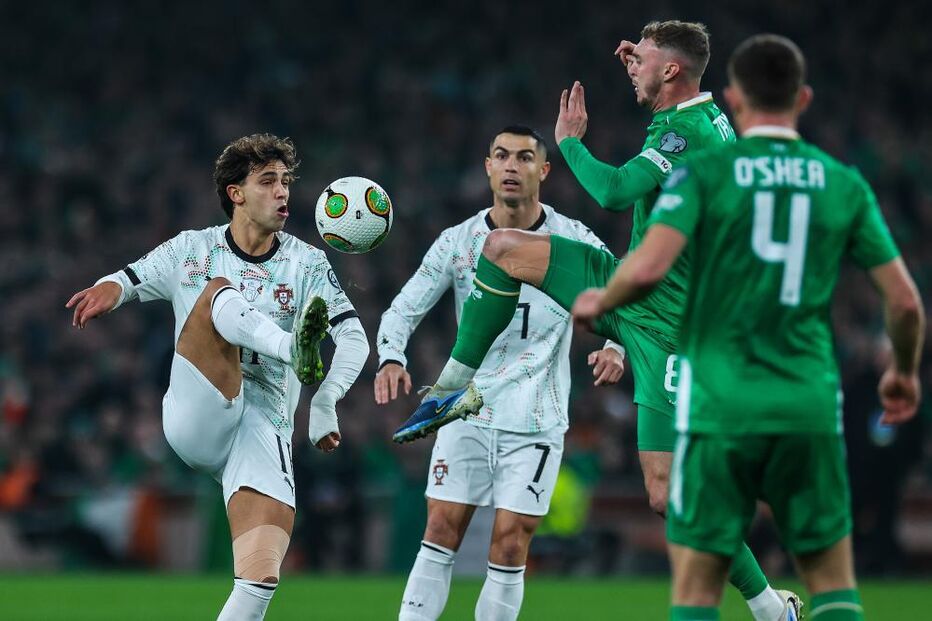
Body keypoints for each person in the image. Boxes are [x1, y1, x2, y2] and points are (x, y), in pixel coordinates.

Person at [395, 20, 798, 621]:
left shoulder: (688, 132)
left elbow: (614, 192)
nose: (630, 65)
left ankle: (768, 605)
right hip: (629, 290)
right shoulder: (689, 115)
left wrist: (571, 141)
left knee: (665, 495)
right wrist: (649, 57)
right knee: (503, 247)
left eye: (643, 59)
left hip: (672, 329)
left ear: (672, 72)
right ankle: (454, 387)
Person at [571, 34, 925, 621]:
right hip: (808, 387)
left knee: (699, 550)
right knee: (831, 575)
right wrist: (905, 375)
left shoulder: (711, 174)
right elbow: (907, 305)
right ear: (804, 98)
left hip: (729, 374)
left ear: (733, 98)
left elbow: (650, 260)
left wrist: (602, 309)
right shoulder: (842, 183)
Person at [65, 134, 369, 620]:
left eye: (286, 182)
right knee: (217, 293)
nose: (283, 192)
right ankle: (290, 347)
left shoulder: (306, 262)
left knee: (260, 576)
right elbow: (130, 278)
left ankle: (292, 352)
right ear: (236, 193)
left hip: (264, 424)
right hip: (199, 410)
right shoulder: (193, 249)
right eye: (268, 181)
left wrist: (326, 400)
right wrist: (109, 290)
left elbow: (355, 340)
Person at [378, 125, 625, 621]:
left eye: (525, 157)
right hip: (464, 411)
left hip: (536, 419)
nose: (512, 166)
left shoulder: (573, 238)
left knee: (511, 546)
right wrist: (390, 356)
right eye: (502, 156)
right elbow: (403, 308)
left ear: (544, 171)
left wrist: (616, 345)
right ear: (487, 167)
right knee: (440, 530)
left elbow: (630, 288)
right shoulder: (458, 241)